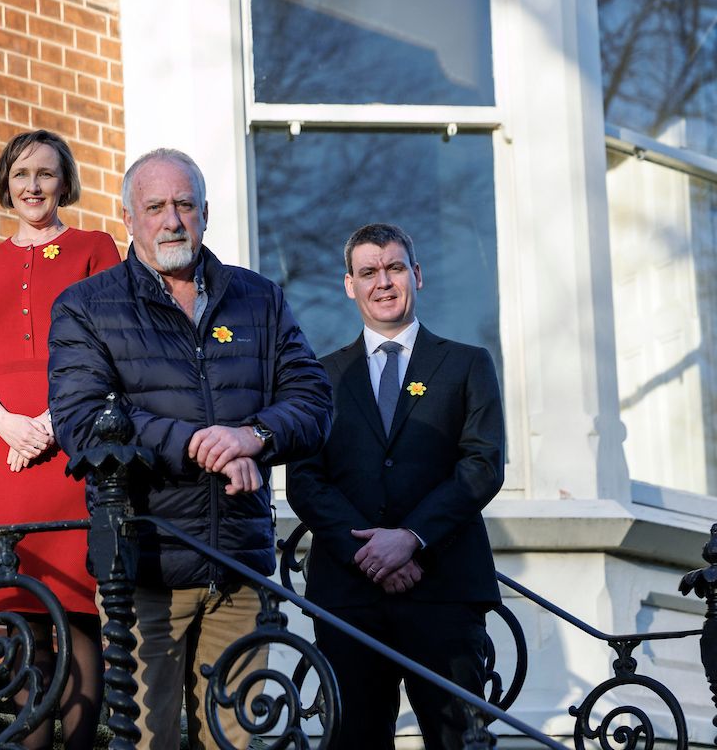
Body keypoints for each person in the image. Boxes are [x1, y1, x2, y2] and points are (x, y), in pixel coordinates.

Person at [48, 148, 332, 750]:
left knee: (240, 743)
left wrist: (250, 437)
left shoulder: (259, 300)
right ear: (129, 218)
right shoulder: (86, 307)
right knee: (150, 743)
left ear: (206, 212)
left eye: (184, 204)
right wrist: (200, 445)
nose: (171, 219)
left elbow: (313, 399)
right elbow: (83, 420)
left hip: (240, 568)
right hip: (145, 571)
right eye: (155, 207)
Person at [286, 223, 505, 750]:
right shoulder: (320, 377)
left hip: (444, 590)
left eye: (394, 268)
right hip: (350, 597)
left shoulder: (467, 364)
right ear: (349, 285)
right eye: (368, 272)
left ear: (416, 275)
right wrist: (370, 552)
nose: (382, 282)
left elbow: (482, 464)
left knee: (459, 741)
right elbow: (305, 480)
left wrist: (410, 537)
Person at [0, 129, 120, 750]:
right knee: (17, 607)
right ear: (6, 182)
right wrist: (9, 426)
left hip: (70, 449)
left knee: (74, 607)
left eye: (46, 174)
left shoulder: (94, 249)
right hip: (1, 454)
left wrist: (50, 423)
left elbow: (112, 349)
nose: (33, 186)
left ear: (63, 182)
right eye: (22, 174)